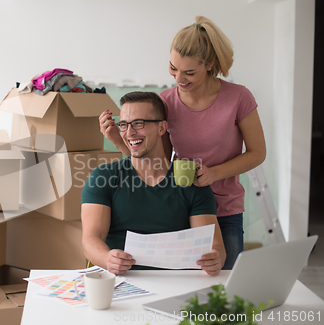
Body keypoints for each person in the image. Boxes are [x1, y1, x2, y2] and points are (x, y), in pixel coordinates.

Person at [99, 16, 266, 270]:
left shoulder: (238, 97)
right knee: (182, 286)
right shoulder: (165, 102)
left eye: (189, 72)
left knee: (224, 288)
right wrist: (117, 140)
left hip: (225, 207)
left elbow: (257, 153)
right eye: (173, 68)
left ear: (210, 65)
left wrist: (213, 174)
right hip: (182, 207)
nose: (179, 78)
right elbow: (157, 161)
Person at [81, 92, 226, 276]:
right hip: (121, 283)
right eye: (124, 125)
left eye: (139, 123)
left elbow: (213, 245)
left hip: (175, 283)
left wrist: (216, 258)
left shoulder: (191, 181)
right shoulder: (103, 177)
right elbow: (90, 240)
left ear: (161, 127)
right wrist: (108, 259)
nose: (129, 132)